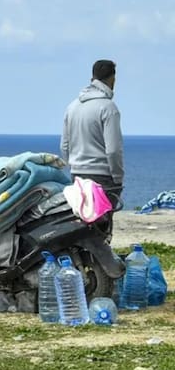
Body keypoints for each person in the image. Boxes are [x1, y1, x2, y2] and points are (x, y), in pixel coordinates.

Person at [60, 59, 124, 241]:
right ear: (113, 79)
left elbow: (64, 145)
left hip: (78, 175)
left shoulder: (72, 107)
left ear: (92, 77)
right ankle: (103, 267)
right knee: (102, 229)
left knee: (82, 225)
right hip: (102, 176)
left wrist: (73, 166)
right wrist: (117, 177)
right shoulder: (108, 107)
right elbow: (113, 150)